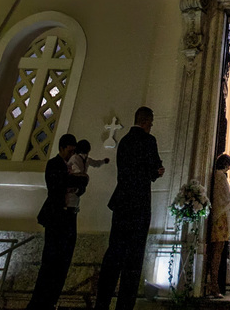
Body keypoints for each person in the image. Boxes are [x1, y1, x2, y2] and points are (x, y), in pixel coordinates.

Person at [95, 107, 165, 310]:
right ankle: (125, 305)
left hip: (121, 203)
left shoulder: (124, 141)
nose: (150, 127)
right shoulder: (148, 141)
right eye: (150, 124)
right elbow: (152, 167)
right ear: (144, 121)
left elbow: (127, 169)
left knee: (114, 253)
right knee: (134, 259)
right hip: (139, 205)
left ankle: (102, 302)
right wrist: (156, 171)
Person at [28, 134, 88, 310]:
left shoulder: (71, 165)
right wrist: (80, 179)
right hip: (57, 217)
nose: (72, 154)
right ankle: (40, 302)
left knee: (63, 261)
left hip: (70, 215)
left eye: (74, 150)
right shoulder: (54, 164)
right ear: (62, 148)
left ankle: (51, 300)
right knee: (50, 261)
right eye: (69, 150)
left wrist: (80, 181)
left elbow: (80, 187)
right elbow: (61, 183)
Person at [203, 153, 230, 298]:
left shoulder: (217, 175)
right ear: (226, 164)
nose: (229, 167)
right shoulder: (220, 176)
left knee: (215, 252)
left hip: (217, 216)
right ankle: (213, 285)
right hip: (220, 217)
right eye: (229, 164)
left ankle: (211, 284)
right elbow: (226, 197)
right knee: (216, 252)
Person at [66, 139, 109, 211]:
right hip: (75, 186)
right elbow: (96, 164)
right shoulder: (85, 159)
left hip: (73, 188)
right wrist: (104, 161)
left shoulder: (75, 158)